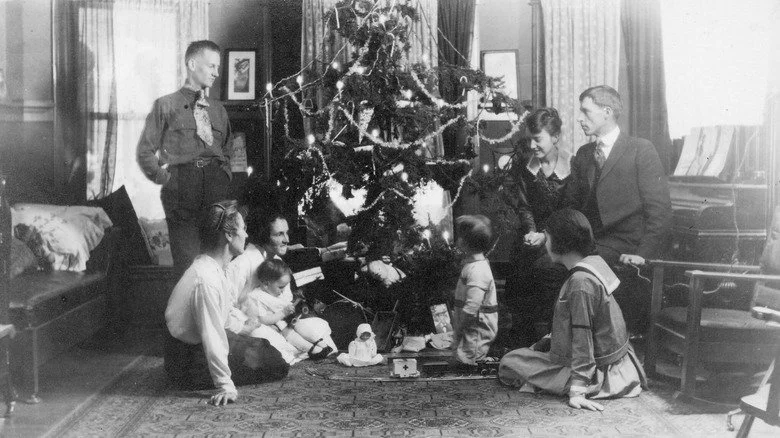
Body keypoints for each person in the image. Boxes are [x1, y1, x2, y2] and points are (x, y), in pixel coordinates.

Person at [498, 209, 646, 411]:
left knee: (510, 363)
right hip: (617, 361)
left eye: (548, 238)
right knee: (526, 355)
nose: (546, 244)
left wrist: (577, 391)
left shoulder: (580, 282)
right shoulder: (595, 264)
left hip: (599, 372)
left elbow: (583, 338)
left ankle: (571, 384)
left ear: (561, 243)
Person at [562, 85, 672, 333]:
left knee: (566, 269)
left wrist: (644, 253)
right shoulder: (584, 153)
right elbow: (570, 205)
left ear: (607, 112)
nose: (579, 118)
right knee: (546, 264)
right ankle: (563, 343)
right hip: (592, 244)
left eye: (585, 112)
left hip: (626, 246)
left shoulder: (640, 150)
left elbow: (660, 211)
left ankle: (592, 342)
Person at [163, 201, 289, 406]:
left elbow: (223, 313)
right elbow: (212, 335)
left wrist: (242, 327)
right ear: (229, 235)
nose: (247, 236)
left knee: (267, 349)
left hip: (193, 349)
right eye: (243, 229)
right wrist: (225, 386)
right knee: (276, 364)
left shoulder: (211, 266)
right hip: (188, 361)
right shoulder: (206, 279)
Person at [137, 40, 233, 276]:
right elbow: (144, 151)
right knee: (189, 265)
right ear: (192, 64)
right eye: (211, 66)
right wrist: (166, 178)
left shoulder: (218, 110)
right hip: (182, 186)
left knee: (220, 263)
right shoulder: (165, 105)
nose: (216, 72)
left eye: (217, 67)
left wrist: (223, 175)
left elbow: (228, 149)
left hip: (215, 187)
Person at [503, 107, 572, 347]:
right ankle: (524, 337)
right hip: (532, 232)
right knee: (520, 265)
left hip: (563, 235)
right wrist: (532, 231)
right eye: (530, 139)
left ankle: (553, 338)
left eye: (538, 139)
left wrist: (546, 235)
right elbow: (524, 206)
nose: (532, 145)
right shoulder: (526, 166)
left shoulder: (572, 166)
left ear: (555, 137)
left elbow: (570, 211)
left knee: (546, 270)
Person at [240, 258, 336, 361]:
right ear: (266, 284)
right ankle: (312, 349)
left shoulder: (275, 293)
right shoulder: (257, 297)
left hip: (287, 320)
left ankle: (321, 343)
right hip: (277, 325)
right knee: (291, 334)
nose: (282, 292)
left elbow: (284, 303)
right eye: (280, 287)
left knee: (300, 325)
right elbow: (263, 319)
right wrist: (283, 313)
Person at [451, 215, 498, 366]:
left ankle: (471, 378)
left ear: (464, 243)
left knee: (469, 357)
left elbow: (472, 307)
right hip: (469, 324)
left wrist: (458, 329)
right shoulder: (472, 264)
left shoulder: (478, 270)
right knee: (464, 353)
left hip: (475, 327)